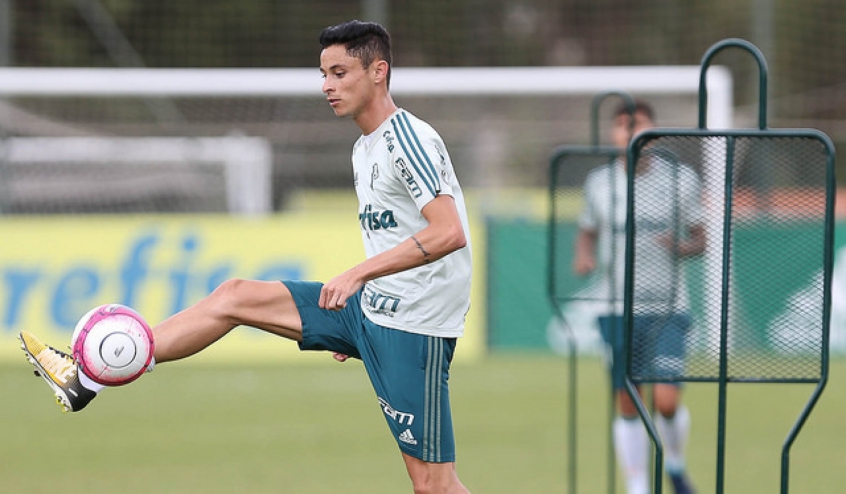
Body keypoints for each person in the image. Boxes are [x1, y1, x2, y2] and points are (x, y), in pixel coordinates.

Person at [20, 20, 472, 494]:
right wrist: (360, 313)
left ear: (378, 71)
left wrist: (357, 276)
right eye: (323, 75)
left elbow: (449, 233)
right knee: (234, 296)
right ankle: (86, 376)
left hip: (413, 329)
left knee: (434, 486)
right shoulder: (365, 147)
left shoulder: (409, 138)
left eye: (340, 73)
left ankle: (92, 371)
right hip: (371, 310)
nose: (327, 86)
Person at [573, 100, 703, 494]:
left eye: (639, 124)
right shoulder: (599, 183)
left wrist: (680, 246)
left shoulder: (682, 180)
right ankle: (637, 487)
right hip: (617, 308)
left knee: (665, 399)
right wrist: (584, 254)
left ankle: (675, 466)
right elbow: (587, 229)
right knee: (628, 401)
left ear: (654, 132)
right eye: (622, 125)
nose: (630, 132)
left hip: (668, 307)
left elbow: (700, 237)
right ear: (613, 133)